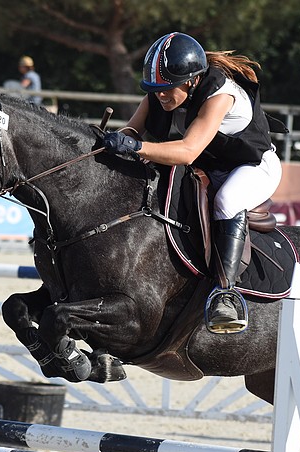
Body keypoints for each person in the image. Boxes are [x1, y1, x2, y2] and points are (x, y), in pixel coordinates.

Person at [102, 32, 284, 334]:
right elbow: (134, 130)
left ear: (191, 80)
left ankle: (226, 294)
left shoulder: (221, 94)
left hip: (252, 167)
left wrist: (137, 148)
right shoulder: (160, 92)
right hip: (207, 169)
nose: (159, 96)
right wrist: (117, 140)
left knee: (227, 199)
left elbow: (187, 151)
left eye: (165, 89)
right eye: (154, 90)